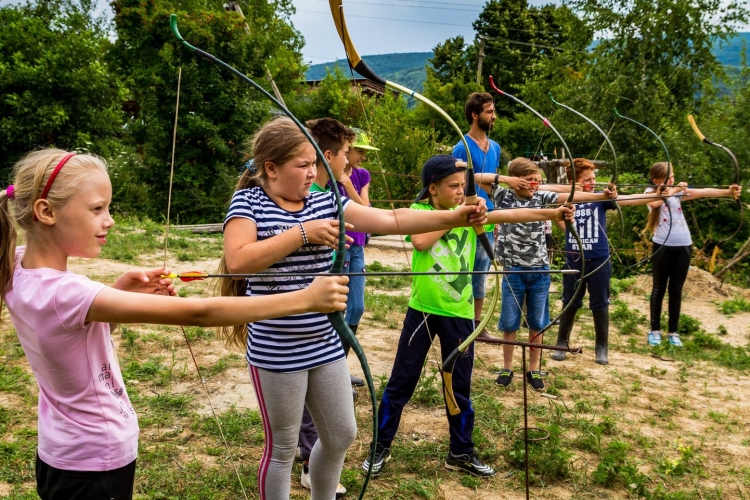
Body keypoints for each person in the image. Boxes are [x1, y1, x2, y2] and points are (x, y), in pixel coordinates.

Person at [0, 148, 351, 500]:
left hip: (59, 453)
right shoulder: (68, 292)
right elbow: (198, 313)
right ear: (46, 212)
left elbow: (69, 331)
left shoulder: (16, 268)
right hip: (96, 457)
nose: (109, 220)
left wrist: (118, 290)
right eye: (97, 209)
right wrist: (305, 299)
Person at [219, 118, 488, 500]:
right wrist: (304, 233)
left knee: (341, 434)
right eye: (302, 165)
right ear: (271, 169)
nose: (313, 172)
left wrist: (454, 215)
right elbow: (238, 261)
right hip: (276, 347)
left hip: (325, 341)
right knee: (281, 449)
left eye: (314, 163)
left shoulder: (324, 198)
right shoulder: (249, 201)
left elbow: (389, 219)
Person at [362, 155, 575, 478]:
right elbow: (420, 241)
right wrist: (456, 217)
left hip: (460, 315)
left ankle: (460, 451)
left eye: (464, 186)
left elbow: (514, 214)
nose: (461, 192)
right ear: (432, 189)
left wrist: (554, 212)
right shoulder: (421, 213)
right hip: (422, 311)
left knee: (458, 386)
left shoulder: (472, 214)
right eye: (453, 186)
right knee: (401, 382)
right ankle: (380, 447)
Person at [475, 157, 617, 391]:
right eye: (530, 181)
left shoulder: (541, 196)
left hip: (540, 271)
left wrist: (602, 196)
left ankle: (534, 369)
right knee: (509, 323)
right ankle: (507, 367)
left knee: (537, 323)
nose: (535, 185)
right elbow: (477, 178)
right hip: (513, 270)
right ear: (517, 180)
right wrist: (507, 179)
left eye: (538, 181)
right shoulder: (503, 196)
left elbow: (571, 196)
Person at [547, 158, 667, 365]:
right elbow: (550, 208)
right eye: (587, 180)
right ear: (574, 181)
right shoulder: (568, 198)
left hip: (599, 259)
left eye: (594, 178)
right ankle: (561, 343)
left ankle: (601, 347)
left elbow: (628, 199)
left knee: (600, 303)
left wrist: (653, 194)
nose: (593, 182)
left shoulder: (602, 197)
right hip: (574, 259)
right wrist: (568, 228)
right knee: (570, 301)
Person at [644, 162, 741, 347]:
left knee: (676, 290)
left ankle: (673, 332)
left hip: (683, 246)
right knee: (658, 289)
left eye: (672, 177)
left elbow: (703, 192)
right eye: (668, 178)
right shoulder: (650, 192)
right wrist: (675, 189)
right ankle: (655, 330)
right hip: (662, 245)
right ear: (657, 180)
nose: (672, 180)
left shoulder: (677, 192)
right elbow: (654, 202)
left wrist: (728, 192)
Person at [452, 92, 502, 341]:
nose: (494, 116)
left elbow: (492, 185)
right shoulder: (462, 147)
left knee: (482, 272)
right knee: (464, 273)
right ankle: (461, 323)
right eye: (489, 112)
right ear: (475, 115)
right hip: (469, 218)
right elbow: (459, 184)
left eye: (493, 111)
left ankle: (476, 325)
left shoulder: (495, 147)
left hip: (489, 219)